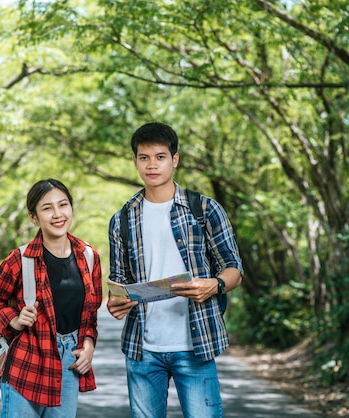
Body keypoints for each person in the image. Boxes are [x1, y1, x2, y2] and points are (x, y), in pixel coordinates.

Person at [107, 122, 243, 418]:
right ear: (135, 162)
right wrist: (115, 302)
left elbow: (234, 268)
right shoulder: (122, 219)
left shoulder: (204, 209)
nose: (152, 165)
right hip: (143, 348)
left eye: (160, 156)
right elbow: (118, 282)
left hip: (195, 345)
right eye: (144, 157)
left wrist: (214, 285)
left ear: (175, 159)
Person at [0, 178, 103, 418]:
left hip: (69, 364)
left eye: (63, 205)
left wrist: (88, 346)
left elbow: (90, 315)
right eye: (47, 208)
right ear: (34, 217)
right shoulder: (20, 259)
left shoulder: (88, 256)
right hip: (27, 361)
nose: (58, 214)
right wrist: (14, 320)